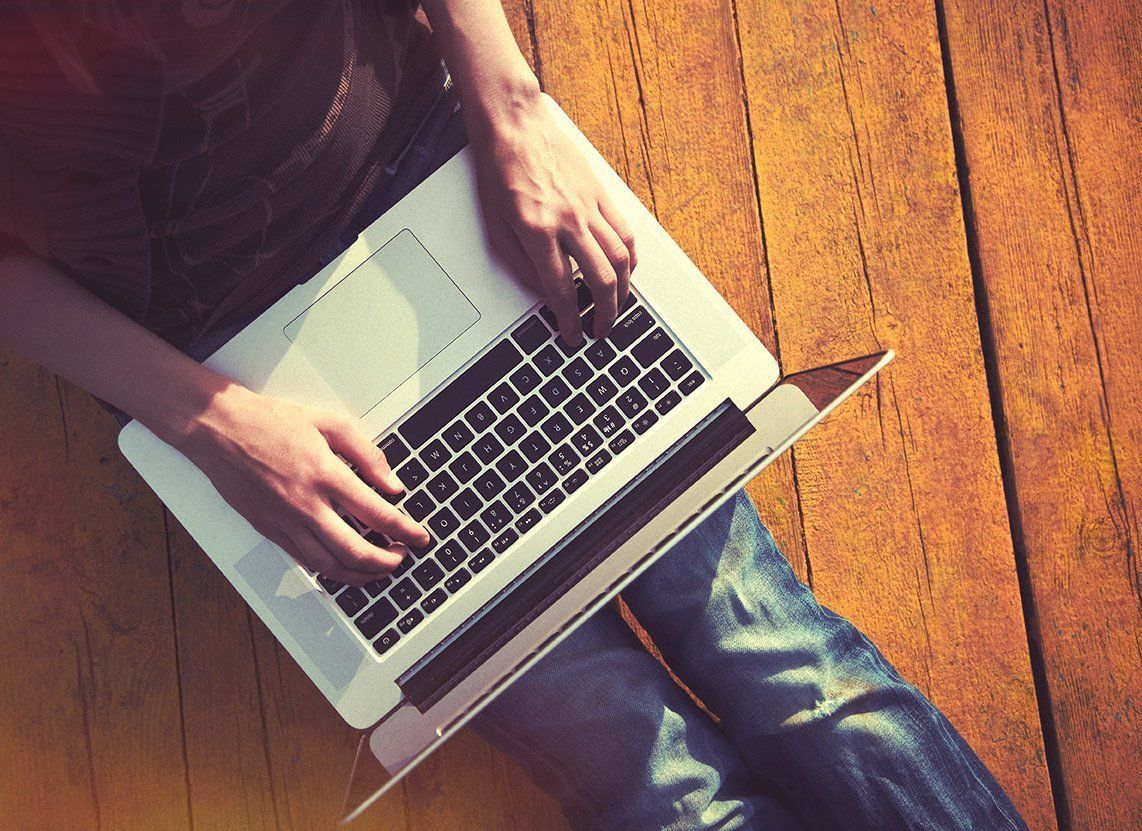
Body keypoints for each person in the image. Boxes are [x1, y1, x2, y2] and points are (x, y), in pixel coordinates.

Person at [0, 2, 1028, 829]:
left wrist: (512, 104)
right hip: (218, 371)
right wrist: (206, 421)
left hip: (441, 193)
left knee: (782, 659)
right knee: (655, 787)